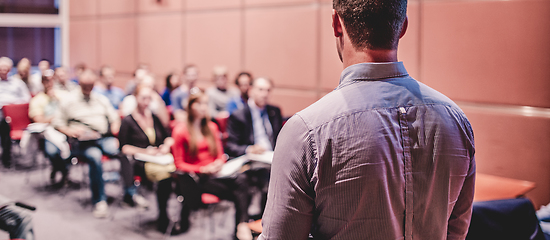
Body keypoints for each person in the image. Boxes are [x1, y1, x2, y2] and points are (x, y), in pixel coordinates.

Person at [258, 0, 476, 239]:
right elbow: (456, 233)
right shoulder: (456, 122)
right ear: (403, 26)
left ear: (335, 23)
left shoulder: (305, 132)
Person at [171, 87, 252, 239]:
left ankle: (241, 226)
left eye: (206, 104)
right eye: (199, 104)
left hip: (216, 174)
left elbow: (221, 154)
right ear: (190, 106)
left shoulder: (211, 127)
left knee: (243, 181)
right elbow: (179, 164)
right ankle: (242, 228)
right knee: (240, 190)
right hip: (197, 178)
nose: (203, 107)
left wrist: (219, 163)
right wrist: (202, 169)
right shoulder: (180, 131)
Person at [51, 69, 125, 218]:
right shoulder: (69, 100)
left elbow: (114, 117)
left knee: (124, 151)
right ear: (79, 83)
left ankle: (130, 193)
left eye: (90, 85)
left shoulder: (100, 99)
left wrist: (116, 128)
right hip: (82, 143)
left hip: (103, 137)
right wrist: (69, 131)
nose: (87, 88)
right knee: (95, 156)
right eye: (85, 85)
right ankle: (100, 201)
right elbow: (57, 124)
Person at [118, 85, 170, 211]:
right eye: (143, 98)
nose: (147, 102)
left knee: (178, 172)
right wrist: (146, 152)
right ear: (135, 98)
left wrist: (166, 146)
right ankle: (163, 215)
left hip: (159, 157)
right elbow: (124, 148)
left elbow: (168, 137)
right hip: (140, 161)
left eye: (149, 99)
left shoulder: (154, 117)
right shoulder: (128, 121)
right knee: (165, 175)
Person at [28, 70, 71, 185]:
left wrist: (58, 100)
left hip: (67, 129)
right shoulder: (37, 100)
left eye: (52, 80)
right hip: (49, 132)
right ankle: (62, 169)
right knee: (52, 151)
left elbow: (72, 111)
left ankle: (64, 169)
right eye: (46, 80)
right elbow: (39, 119)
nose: (49, 83)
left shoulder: (63, 95)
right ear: (42, 82)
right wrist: (55, 117)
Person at [225, 77, 283, 158]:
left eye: (268, 90)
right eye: (260, 90)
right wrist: (249, 149)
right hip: (253, 158)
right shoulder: (238, 115)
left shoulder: (275, 111)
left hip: (273, 156)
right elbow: (231, 146)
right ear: (251, 91)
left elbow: (280, 138)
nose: (265, 94)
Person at [0, 56, 32, 168]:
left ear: (9, 69)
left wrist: (12, 106)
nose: (3, 71)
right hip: (0, 112)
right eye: (1, 68)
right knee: (3, 121)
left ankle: (6, 157)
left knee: (6, 123)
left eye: (5, 68)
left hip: (16, 114)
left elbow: (27, 99)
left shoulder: (17, 83)